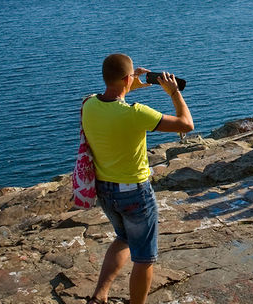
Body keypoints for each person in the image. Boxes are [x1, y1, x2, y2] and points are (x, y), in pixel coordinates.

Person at [83, 53, 194, 304]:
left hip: (104, 191)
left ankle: (99, 297)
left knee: (123, 238)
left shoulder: (88, 104)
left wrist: (127, 84)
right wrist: (174, 92)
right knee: (144, 258)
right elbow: (186, 124)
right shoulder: (135, 113)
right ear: (127, 79)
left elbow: (111, 99)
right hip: (135, 193)